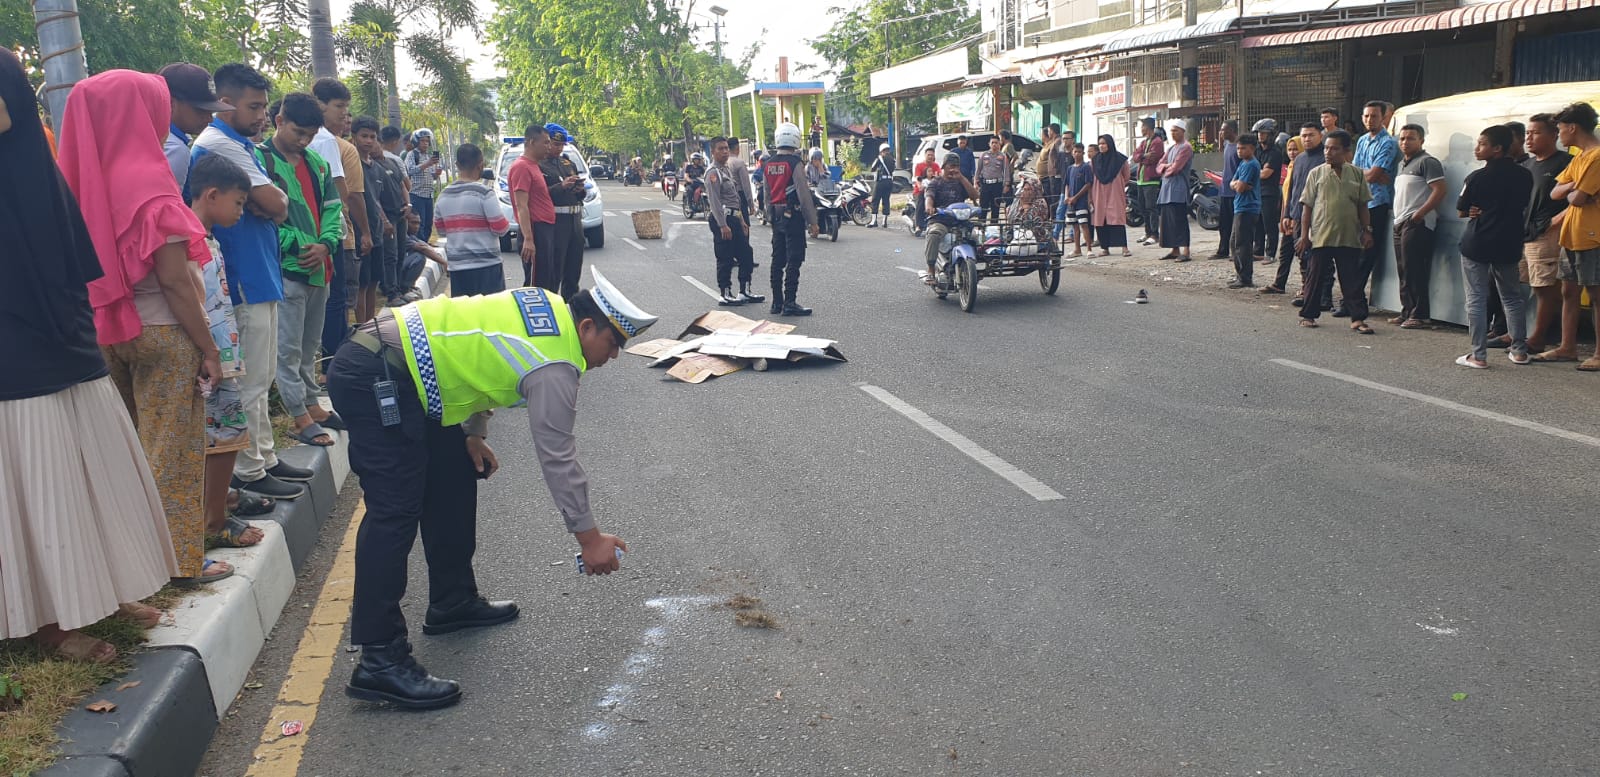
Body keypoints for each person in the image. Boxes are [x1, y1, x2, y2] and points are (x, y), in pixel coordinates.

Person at [328, 268, 653, 709]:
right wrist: (589, 538)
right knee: (394, 511)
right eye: (613, 343)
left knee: (454, 475)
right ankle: (380, 660)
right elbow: (557, 456)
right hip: (379, 375)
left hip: (404, 369)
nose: (613, 356)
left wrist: (473, 432)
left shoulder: (545, 304)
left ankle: (451, 601)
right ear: (587, 327)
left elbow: (480, 353)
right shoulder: (557, 362)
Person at [0, 47, 181, 662]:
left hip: (67, 335)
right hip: (14, 353)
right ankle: (52, 617)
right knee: (39, 476)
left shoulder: (32, 158)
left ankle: (101, 590)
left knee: (91, 465)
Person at [58, 69, 233, 586]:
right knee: (171, 451)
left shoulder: (78, 181)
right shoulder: (150, 179)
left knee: (127, 451)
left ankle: (129, 562)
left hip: (105, 331)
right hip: (162, 333)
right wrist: (210, 348)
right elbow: (177, 281)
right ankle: (178, 562)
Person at [192, 64, 310, 501]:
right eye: (254, 106)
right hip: (242, 278)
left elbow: (275, 204)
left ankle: (264, 457)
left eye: (264, 106)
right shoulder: (220, 145)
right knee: (250, 381)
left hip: (260, 273)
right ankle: (250, 470)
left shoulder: (243, 144)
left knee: (261, 377)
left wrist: (271, 205)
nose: (263, 115)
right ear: (225, 103)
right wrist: (268, 204)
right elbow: (274, 202)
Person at [186, 154, 266, 550]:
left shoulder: (203, 237)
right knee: (226, 436)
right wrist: (209, 352)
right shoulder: (190, 240)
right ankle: (213, 522)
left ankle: (214, 509)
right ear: (212, 194)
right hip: (211, 357)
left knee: (223, 436)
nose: (240, 210)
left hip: (220, 353)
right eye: (237, 202)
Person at [259, 92, 344, 449]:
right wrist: (299, 244)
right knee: (288, 350)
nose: (304, 140)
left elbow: (333, 210)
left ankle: (312, 402)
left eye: (310, 134)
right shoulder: (261, 161)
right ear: (279, 121)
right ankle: (298, 415)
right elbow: (260, 220)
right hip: (288, 270)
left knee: (310, 345)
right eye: (298, 132)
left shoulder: (316, 164)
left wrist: (326, 244)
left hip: (319, 268)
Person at [1454, 125, 1534, 368]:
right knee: (1512, 297)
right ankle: (1519, 350)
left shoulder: (1477, 177)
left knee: (1476, 298)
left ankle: (1478, 355)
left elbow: (1461, 210)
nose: (1477, 148)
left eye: (1482, 144)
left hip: (1477, 242)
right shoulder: (1525, 175)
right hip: (1509, 241)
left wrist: (1473, 211)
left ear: (1497, 149)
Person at [309, 80, 369, 360]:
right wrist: (345, 214)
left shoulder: (311, 138)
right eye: (339, 107)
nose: (343, 114)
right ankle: (333, 358)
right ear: (320, 104)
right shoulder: (325, 140)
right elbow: (338, 186)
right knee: (336, 299)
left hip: (312, 229)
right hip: (331, 231)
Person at [1295, 130, 1374, 332]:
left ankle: (1357, 318)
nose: (1328, 152)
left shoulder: (1356, 173)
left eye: (1334, 148)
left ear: (1346, 151)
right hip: (1321, 235)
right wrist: (1305, 236)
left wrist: (1366, 230)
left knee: (1351, 279)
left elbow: (1363, 206)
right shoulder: (1317, 173)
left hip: (1349, 235)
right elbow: (1307, 207)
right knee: (1315, 277)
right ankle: (1308, 315)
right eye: (1326, 148)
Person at [1542, 102, 1600, 370]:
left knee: (1596, 293)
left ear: (1572, 127)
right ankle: (1567, 346)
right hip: (1573, 233)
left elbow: (1576, 199)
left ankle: (1598, 354)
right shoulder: (1580, 157)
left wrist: (1573, 188)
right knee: (1568, 290)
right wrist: (1576, 185)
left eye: (1561, 129)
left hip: (1593, 234)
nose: (1560, 134)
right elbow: (1555, 192)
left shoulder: (1596, 156)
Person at [1520, 114, 1572, 354]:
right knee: (1523, 284)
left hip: (1548, 233)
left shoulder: (1566, 162)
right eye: (1527, 133)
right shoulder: (1527, 165)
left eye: (1536, 133)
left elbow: (1580, 198)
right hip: (1524, 233)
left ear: (1554, 136)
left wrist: (1556, 221)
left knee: (1545, 287)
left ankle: (1539, 337)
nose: (1529, 138)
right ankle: (1517, 331)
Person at [1343, 100, 1399, 318]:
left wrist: (1363, 173)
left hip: (1377, 203)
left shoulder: (1389, 143)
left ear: (1383, 117)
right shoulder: (1364, 140)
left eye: (1374, 116)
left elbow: (1374, 174)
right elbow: (1353, 171)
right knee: (1353, 253)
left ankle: (1353, 302)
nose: (1369, 120)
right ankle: (1351, 299)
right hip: (1359, 202)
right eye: (1366, 116)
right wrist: (1365, 173)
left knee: (1367, 254)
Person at [1389, 123, 1447, 329]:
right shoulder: (1401, 164)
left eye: (1411, 138)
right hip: (1400, 221)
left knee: (1415, 268)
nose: (1405, 142)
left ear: (1421, 140)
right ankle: (1407, 311)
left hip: (1417, 223)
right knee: (1403, 268)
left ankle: (1420, 314)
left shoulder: (1428, 162)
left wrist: (1420, 214)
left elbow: (1439, 190)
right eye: (1402, 138)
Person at [435, 143, 510, 297]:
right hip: (487, 266)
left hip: (458, 269)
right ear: (481, 165)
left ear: (457, 164)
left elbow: (441, 231)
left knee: (465, 316)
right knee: (490, 315)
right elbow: (501, 229)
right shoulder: (484, 193)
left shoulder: (443, 196)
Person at [761, 123, 821, 316]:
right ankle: (790, 302)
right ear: (795, 139)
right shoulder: (795, 164)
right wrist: (813, 222)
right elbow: (804, 195)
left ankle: (776, 302)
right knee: (794, 259)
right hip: (792, 215)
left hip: (776, 217)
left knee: (777, 259)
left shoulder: (768, 163)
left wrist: (769, 216)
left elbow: (766, 194)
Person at [1269, 125, 1326, 300]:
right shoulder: (1299, 160)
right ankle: (1306, 289)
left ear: (1320, 136)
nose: (1307, 139)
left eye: (1311, 135)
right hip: (1298, 215)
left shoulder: (1325, 158)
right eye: (1304, 136)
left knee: (1318, 258)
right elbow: (1292, 189)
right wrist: (1287, 214)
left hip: (1319, 215)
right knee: (1302, 255)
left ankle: (1321, 295)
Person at [705, 136, 764, 305]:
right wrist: (722, 225)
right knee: (725, 257)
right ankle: (725, 292)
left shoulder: (726, 170)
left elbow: (734, 200)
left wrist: (742, 221)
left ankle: (744, 290)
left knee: (746, 254)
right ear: (713, 152)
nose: (725, 152)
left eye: (726, 148)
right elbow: (715, 202)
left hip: (735, 217)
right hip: (723, 219)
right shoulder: (713, 173)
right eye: (720, 149)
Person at [159, 63, 234, 193]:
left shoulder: (147, 136)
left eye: (211, 112)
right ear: (171, 103)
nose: (209, 119)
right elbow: (165, 207)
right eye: (201, 111)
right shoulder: (175, 148)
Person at [540, 124, 586, 299]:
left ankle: (571, 311)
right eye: (554, 144)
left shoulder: (568, 162)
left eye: (561, 145)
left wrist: (579, 189)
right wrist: (562, 186)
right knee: (554, 272)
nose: (558, 149)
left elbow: (580, 194)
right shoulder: (540, 166)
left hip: (575, 220)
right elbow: (541, 195)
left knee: (573, 272)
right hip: (557, 222)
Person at [509, 126, 557, 290]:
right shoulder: (521, 167)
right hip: (535, 231)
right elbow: (521, 205)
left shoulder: (534, 166)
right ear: (531, 142)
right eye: (545, 143)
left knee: (548, 281)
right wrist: (529, 239)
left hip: (545, 230)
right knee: (536, 286)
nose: (549, 147)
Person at [370, 123, 413, 307]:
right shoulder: (372, 168)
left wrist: (408, 204)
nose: (375, 147)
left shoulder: (392, 162)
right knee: (390, 255)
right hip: (387, 217)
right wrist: (384, 220)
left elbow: (402, 185)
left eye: (377, 143)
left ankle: (399, 289)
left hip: (401, 213)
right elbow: (374, 198)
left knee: (401, 252)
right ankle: (391, 293)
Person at [921, 153, 980, 284]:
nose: (954, 169)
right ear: (944, 166)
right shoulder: (935, 182)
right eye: (951, 166)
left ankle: (974, 264)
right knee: (934, 234)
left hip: (960, 221)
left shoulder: (961, 182)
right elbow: (929, 197)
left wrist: (962, 178)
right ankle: (931, 269)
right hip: (940, 220)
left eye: (957, 166)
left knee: (977, 236)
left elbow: (975, 195)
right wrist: (929, 207)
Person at [1089, 135, 1131, 257]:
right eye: (1100, 144)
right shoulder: (1095, 160)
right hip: (1098, 193)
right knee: (1101, 221)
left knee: (1117, 219)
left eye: (1104, 143)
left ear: (1110, 144)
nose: (1101, 146)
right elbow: (1091, 177)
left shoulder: (1120, 160)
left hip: (1115, 192)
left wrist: (1118, 184)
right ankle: (1105, 248)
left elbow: (1126, 176)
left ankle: (1124, 247)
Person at [1228, 134, 1261, 288]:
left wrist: (1239, 185)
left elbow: (1240, 187)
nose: (1239, 151)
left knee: (1243, 243)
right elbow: (1232, 183)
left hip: (1247, 208)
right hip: (1240, 206)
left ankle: (1245, 277)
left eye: (1243, 148)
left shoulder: (1250, 165)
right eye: (1238, 148)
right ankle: (1240, 274)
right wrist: (1238, 185)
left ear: (1252, 149)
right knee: (1235, 242)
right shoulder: (1243, 163)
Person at [1156, 123, 1194, 261]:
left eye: (1176, 131)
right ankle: (1175, 249)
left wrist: (1166, 169)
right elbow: (1159, 166)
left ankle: (1186, 250)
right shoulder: (1171, 148)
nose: (1173, 133)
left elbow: (1176, 168)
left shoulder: (1186, 148)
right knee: (1168, 221)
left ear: (1183, 131)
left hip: (1178, 189)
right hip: (1166, 190)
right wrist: (1167, 166)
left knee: (1179, 220)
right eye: (1171, 131)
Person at [1251, 119, 1285, 262]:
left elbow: (1265, 174)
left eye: (1264, 133)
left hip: (1270, 193)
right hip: (1257, 192)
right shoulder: (1257, 150)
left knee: (1269, 224)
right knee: (1257, 223)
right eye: (1259, 133)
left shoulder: (1275, 153)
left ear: (1271, 134)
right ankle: (1258, 251)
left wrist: (1253, 172)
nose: (1260, 136)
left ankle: (1270, 253)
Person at [405, 128, 443, 241]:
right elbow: (410, 170)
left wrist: (436, 174)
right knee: (418, 225)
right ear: (417, 141)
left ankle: (425, 244)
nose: (425, 144)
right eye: (422, 141)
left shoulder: (428, 156)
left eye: (427, 141)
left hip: (428, 195)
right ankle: (419, 247)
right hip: (417, 194)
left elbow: (431, 175)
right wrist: (427, 164)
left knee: (428, 224)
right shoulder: (412, 155)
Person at [1133, 117, 1164, 246]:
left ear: (1148, 127)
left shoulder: (1157, 142)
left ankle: (1154, 234)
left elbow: (1153, 159)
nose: (1141, 129)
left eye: (1143, 126)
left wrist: (1142, 157)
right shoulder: (1144, 142)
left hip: (1151, 180)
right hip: (1140, 180)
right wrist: (1143, 156)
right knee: (1143, 208)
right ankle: (1147, 232)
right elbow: (1135, 156)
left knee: (1151, 208)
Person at [1059, 143, 1093, 254]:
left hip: (1081, 201)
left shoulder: (1086, 167)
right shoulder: (1070, 169)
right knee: (1074, 225)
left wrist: (1076, 197)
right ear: (1072, 153)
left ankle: (1089, 249)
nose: (1077, 154)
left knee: (1084, 224)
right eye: (1075, 152)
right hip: (1071, 203)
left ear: (1083, 153)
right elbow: (1067, 184)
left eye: (1079, 152)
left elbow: (1088, 184)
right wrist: (1067, 197)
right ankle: (1077, 249)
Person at [1213, 121, 1240, 260]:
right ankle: (1223, 250)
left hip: (1235, 191)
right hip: (1225, 190)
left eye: (1224, 130)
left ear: (1232, 130)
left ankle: (1236, 251)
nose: (1221, 133)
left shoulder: (1239, 148)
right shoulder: (1227, 145)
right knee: (1224, 224)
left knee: (1236, 225)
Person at [975, 134, 1013, 222]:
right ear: (989, 144)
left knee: (995, 207)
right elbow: (978, 169)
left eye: (996, 143)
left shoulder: (1003, 156)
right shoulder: (984, 155)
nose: (994, 145)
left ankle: (994, 227)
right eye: (992, 143)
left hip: (997, 185)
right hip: (985, 184)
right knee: (983, 207)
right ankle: (981, 227)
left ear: (999, 144)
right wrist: (975, 182)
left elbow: (1006, 171)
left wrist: (1006, 185)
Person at [912, 147, 940, 233]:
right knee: (920, 204)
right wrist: (920, 186)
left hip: (932, 191)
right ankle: (917, 226)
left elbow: (940, 176)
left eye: (932, 155)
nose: (930, 157)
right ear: (925, 155)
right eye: (929, 155)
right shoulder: (919, 166)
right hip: (920, 191)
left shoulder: (936, 165)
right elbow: (917, 178)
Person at [868, 145, 895, 228]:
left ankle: (874, 221)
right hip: (889, 181)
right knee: (886, 200)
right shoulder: (893, 159)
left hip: (881, 182)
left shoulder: (880, 158)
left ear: (881, 151)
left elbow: (872, 168)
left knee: (875, 200)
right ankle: (884, 221)